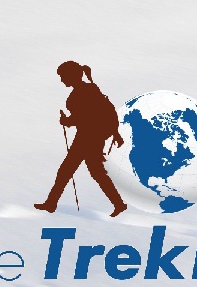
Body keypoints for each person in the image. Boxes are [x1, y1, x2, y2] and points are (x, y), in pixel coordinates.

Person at [35, 59, 129, 217]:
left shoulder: (82, 93)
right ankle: (118, 204)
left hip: (88, 138)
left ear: (71, 76)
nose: (61, 80)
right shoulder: (90, 89)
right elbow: (95, 114)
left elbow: (85, 117)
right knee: (92, 172)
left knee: (69, 170)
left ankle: (51, 203)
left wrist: (66, 121)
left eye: (63, 76)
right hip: (91, 137)